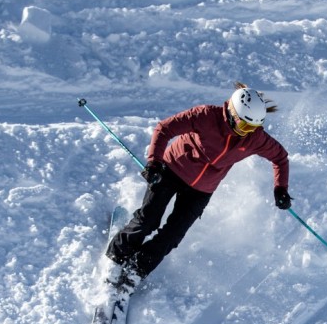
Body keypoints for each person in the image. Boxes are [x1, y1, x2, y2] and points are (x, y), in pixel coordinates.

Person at [105, 82, 292, 291]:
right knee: (148, 220)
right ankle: (116, 257)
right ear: (232, 113)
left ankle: (135, 271)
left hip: (201, 191)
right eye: (244, 126)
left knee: (172, 236)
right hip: (171, 171)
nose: (247, 133)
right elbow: (164, 128)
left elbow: (280, 158)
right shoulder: (205, 116)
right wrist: (154, 163)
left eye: (253, 128)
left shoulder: (254, 138)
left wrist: (280, 188)